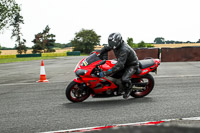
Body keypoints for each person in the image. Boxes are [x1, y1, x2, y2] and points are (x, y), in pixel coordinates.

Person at [98, 33, 139, 99]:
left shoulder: (124, 49)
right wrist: (99, 53)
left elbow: (120, 65)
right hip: (123, 61)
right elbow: (106, 48)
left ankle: (128, 89)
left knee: (124, 79)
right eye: (111, 43)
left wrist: (106, 73)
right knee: (111, 71)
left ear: (119, 41)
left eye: (113, 43)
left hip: (131, 65)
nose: (112, 45)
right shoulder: (115, 45)